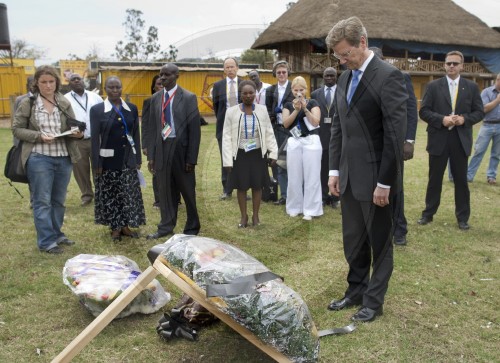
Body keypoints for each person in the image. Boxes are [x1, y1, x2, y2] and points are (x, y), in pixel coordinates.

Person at [326, 16, 407, 322]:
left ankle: (373, 302)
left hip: (377, 181)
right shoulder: (344, 79)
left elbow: (394, 136)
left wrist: (385, 182)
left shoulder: (389, 77)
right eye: (338, 56)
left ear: (363, 42)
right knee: (354, 240)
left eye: (346, 54)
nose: (343, 61)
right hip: (348, 179)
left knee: (380, 244)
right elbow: (338, 130)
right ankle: (355, 290)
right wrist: (334, 170)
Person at [12, 65, 84, 254]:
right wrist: (39, 136)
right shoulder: (29, 102)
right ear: (37, 82)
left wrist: (77, 133)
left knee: (58, 200)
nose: (48, 85)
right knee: (42, 201)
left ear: (57, 82)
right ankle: (46, 241)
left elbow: (73, 125)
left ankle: (57, 234)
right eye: (44, 82)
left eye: (51, 81)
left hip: (63, 157)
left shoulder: (63, 102)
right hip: (39, 158)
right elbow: (17, 129)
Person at [418, 50, 484, 230]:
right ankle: (428, 214)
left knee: (461, 181)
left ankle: (463, 218)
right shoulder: (433, 86)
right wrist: (441, 119)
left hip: (460, 139)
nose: (452, 66)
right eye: (449, 63)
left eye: (455, 63)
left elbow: (479, 112)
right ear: (444, 65)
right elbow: (423, 111)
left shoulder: (471, 87)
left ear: (462, 66)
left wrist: (464, 119)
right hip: (439, 138)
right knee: (434, 179)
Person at [143, 63, 201, 240]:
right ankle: (165, 226)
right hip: (162, 148)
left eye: (167, 75)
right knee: (165, 191)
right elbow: (152, 128)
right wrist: (151, 155)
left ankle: (192, 227)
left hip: (181, 150)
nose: (162, 78)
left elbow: (194, 131)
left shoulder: (189, 97)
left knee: (187, 190)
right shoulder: (155, 99)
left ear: (177, 76)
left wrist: (191, 158)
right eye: (161, 75)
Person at [370, 47, 418, 246]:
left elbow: (410, 110)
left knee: (395, 187)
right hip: (372, 146)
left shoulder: (399, 77)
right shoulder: (363, 81)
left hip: (394, 144)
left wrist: (409, 140)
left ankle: (400, 230)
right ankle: (380, 228)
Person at [90, 76, 145, 242]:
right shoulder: (97, 110)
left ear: (122, 88)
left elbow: (136, 134)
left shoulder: (132, 109)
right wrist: (97, 163)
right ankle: (115, 228)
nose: (115, 91)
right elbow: (94, 139)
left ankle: (125, 226)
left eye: (117, 87)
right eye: (111, 87)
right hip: (107, 161)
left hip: (127, 160)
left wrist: (137, 157)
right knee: (112, 195)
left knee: (127, 194)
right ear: (105, 89)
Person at [222, 80, 278, 227]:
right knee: (241, 187)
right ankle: (243, 217)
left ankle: (256, 216)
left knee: (257, 186)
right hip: (240, 154)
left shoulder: (262, 110)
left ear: (255, 94)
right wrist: (227, 161)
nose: (248, 95)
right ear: (240, 95)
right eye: (245, 93)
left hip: (257, 154)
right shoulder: (231, 112)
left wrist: (273, 153)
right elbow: (226, 137)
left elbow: (269, 133)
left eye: (251, 93)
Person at [282, 76, 323, 220]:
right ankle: (294, 207)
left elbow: (316, 121)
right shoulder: (287, 105)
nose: (298, 92)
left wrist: (305, 108)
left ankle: (311, 210)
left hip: (311, 140)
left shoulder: (313, 102)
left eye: (301, 89)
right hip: (294, 141)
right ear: (292, 90)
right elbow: (286, 124)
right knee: (294, 175)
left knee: (312, 176)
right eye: (296, 89)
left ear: (306, 90)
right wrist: (295, 110)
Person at [64, 73, 103, 206]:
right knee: (80, 170)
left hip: (96, 139)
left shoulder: (95, 97)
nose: (76, 81)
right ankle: (86, 195)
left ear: (83, 81)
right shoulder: (65, 99)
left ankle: (100, 194)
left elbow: (104, 114)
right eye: (73, 80)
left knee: (99, 167)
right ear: (69, 84)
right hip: (76, 141)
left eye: (78, 79)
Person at [265, 60, 294, 205]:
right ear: (275, 74)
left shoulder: (293, 87)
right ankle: (282, 194)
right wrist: (272, 114)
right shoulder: (270, 90)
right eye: (279, 72)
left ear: (288, 73)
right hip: (275, 128)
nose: (281, 74)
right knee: (276, 160)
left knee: (288, 162)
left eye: (284, 72)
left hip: (289, 129)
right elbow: (268, 109)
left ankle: (291, 193)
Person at [310, 67, 340, 209]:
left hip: (337, 137)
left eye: (332, 76)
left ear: (336, 77)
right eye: (326, 76)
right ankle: (322, 196)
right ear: (323, 76)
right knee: (321, 169)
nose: (329, 78)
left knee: (335, 168)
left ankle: (335, 197)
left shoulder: (343, 92)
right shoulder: (315, 94)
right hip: (320, 136)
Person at [212, 57, 240, 200]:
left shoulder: (244, 84)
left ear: (237, 68)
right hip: (224, 127)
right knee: (226, 158)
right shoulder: (217, 86)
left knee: (241, 158)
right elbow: (217, 108)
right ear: (224, 69)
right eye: (227, 67)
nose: (230, 69)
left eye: (232, 67)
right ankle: (227, 189)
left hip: (242, 127)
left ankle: (242, 188)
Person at [467, 73, 500, 185]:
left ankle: (491, 176)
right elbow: (483, 109)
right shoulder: (487, 92)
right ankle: (469, 175)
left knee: (496, 153)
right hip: (487, 125)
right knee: (478, 151)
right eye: (499, 80)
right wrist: (497, 100)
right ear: (497, 80)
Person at [141, 74, 164, 208]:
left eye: (163, 83)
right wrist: (145, 145)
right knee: (156, 171)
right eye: (159, 84)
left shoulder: (174, 100)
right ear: (154, 87)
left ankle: (175, 198)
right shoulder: (149, 102)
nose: (161, 86)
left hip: (171, 142)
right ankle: (159, 200)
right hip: (155, 143)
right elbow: (145, 125)